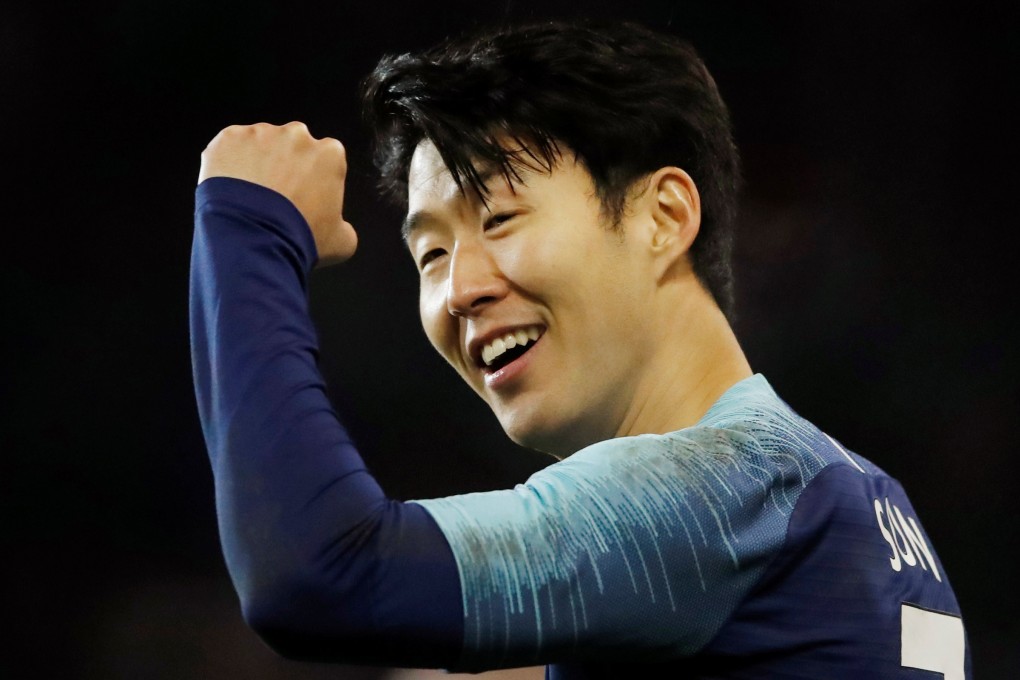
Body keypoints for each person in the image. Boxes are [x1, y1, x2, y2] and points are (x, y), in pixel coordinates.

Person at [190, 20, 970, 679]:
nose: (459, 289)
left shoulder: (722, 491)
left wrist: (250, 227)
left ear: (663, 216)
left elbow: (321, 572)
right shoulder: (862, 497)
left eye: (499, 219)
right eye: (430, 255)